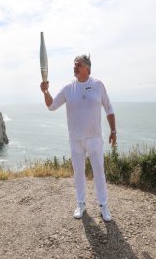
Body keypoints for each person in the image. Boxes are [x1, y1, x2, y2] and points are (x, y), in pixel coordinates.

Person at [40, 54, 116, 222]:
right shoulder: (69, 88)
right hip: (75, 139)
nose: (75, 67)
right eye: (74, 65)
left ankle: (103, 206)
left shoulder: (97, 85)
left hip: (94, 138)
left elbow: (109, 108)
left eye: (78, 65)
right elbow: (51, 106)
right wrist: (46, 91)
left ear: (87, 68)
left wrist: (113, 131)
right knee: (78, 173)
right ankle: (80, 204)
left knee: (99, 173)